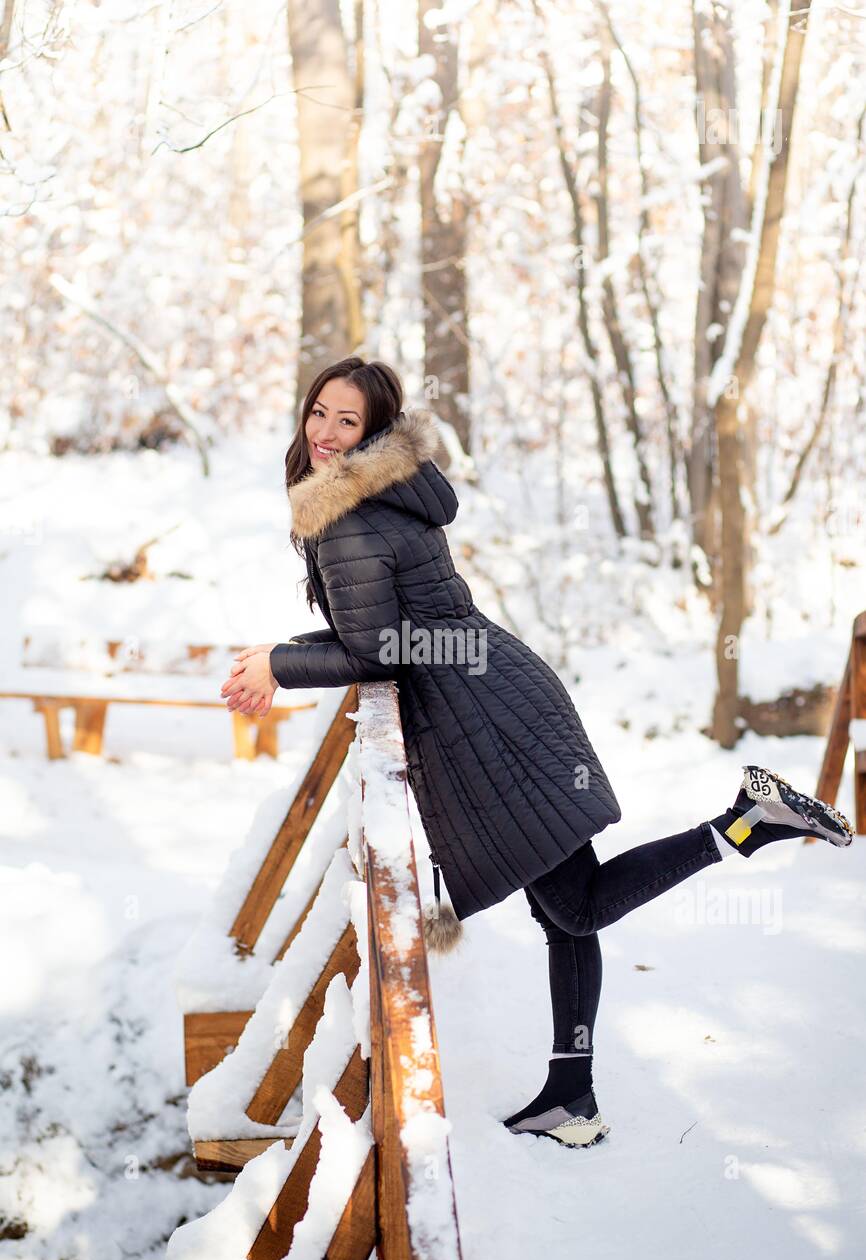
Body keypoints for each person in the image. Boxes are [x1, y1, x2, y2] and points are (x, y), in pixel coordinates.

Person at [220, 356, 854, 1151]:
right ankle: (572, 1094)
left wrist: (280, 665)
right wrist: (280, 654)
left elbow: (379, 650)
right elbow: (382, 634)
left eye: (348, 421)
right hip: (497, 688)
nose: (325, 432)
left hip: (482, 720)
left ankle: (745, 826)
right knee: (567, 912)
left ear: (375, 431)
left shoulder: (347, 514)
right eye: (319, 411)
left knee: (574, 906)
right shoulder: (386, 491)